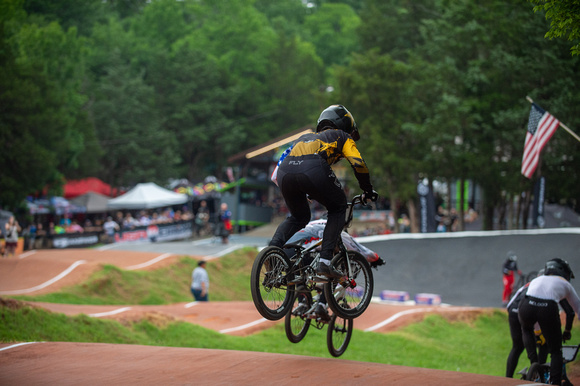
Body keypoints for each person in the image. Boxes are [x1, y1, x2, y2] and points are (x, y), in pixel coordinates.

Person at [269, 104, 377, 285]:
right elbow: (358, 164)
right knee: (338, 206)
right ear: (345, 126)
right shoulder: (343, 137)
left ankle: (272, 253)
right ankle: (325, 261)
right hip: (312, 169)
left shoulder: (303, 139)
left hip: (285, 173)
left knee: (299, 216)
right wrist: (367, 189)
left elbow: (276, 174)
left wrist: (303, 188)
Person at [518, 258, 580, 385]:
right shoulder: (565, 284)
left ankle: (534, 365)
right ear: (564, 273)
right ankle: (555, 382)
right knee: (556, 350)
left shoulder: (536, 279)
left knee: (526, 329)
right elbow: (577, 308)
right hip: (547, 307)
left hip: (526, 304)